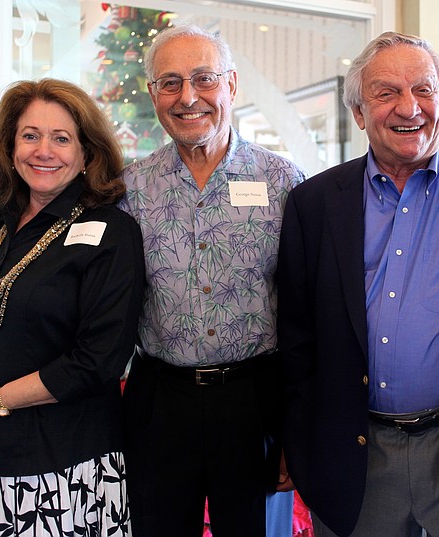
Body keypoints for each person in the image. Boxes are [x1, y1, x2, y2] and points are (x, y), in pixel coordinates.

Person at [276, 32, 439, 537]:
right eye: (385, 93)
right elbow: (296, 337)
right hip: (356, 455)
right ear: (358, 112)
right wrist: (299, 441)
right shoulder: (314, 203)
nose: (408, 107)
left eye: (424, 89)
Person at [117, 24, 304, 537]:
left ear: (232, 85)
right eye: (170, 83)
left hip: (255, 401)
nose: (188, 97)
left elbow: (304, 308)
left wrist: (296, 426)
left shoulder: (285, 182)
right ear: (154, 93)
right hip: (160, 401)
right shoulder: (127, 189)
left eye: (204, 79)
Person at [0, 78, 145, 536]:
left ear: (86, 154)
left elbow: (98, 361)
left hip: (64, 468)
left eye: (61, 138)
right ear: (10, 147)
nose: (44, 151)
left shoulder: (111, 232)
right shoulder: (2, 223)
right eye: (30, 135)